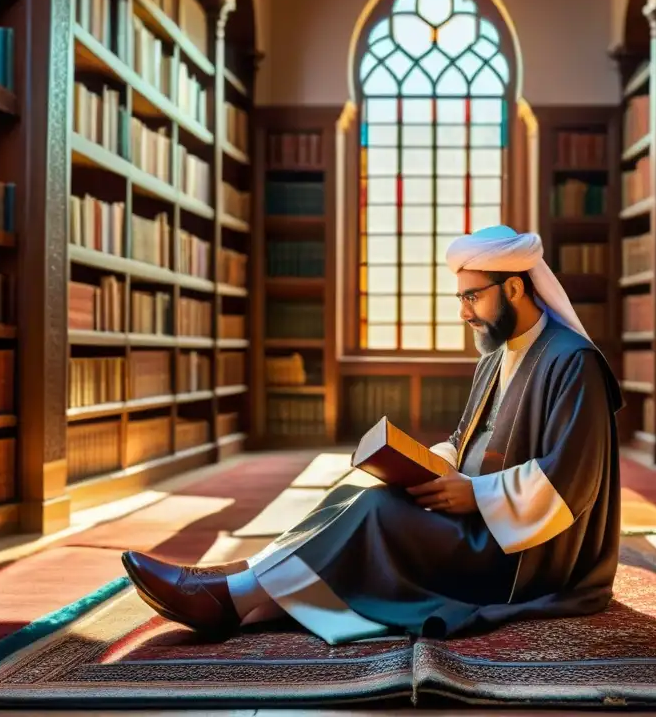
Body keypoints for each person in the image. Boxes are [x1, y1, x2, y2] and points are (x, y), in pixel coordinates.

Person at [121, 224, 625, 644]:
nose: (463, 312)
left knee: (375, 511)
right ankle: (249, 586)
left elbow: (570, 483)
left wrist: (474, 495)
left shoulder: (573, 363)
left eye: (473, 296)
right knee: (358, 492)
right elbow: (465, 437)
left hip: (525, 555)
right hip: (482, 517)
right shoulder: (496, 355)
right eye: (461, 297)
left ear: (514, 288)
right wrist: (425, 462)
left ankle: (231, 599)